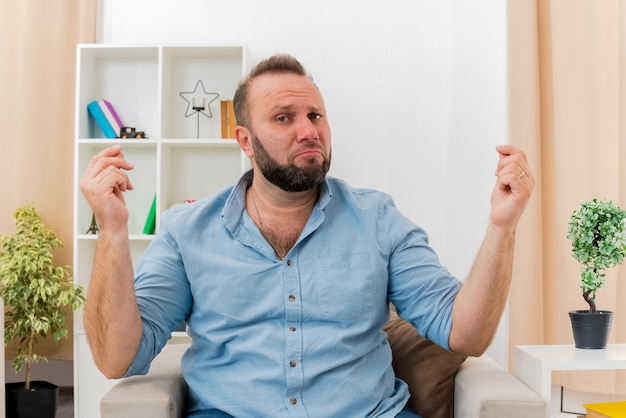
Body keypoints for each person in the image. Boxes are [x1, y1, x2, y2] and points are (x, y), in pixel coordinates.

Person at [80, 54, 534, 418]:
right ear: (244, 140)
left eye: (315, 115)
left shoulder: (378, 218)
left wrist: (502, 225)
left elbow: (465, 334)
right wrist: (113, 232)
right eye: (283, 118)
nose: (308, 131)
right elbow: (118, 359)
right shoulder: (187, 231)